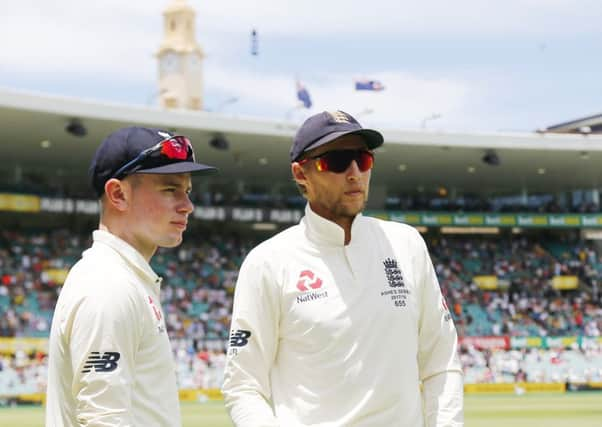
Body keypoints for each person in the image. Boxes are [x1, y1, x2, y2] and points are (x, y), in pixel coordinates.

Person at [222, 110, 463, 426]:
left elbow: (441, 362)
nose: (354, 172)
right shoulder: (267, 262)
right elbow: (242, 386)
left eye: (363, 159)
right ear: (300, 173)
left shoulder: (406, 244)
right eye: (335, 161)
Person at [46, 126, 217, 426]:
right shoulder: (109, 284)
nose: (187, 205)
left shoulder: (124, 278)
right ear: (118, 194)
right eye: (170, 189)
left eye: (187, 191)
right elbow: (103, 420)